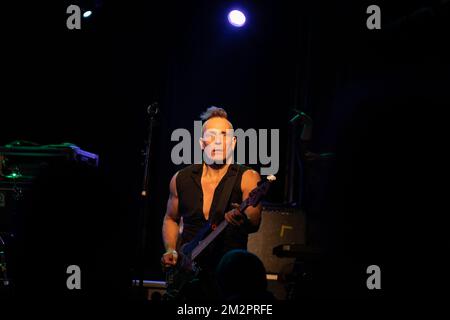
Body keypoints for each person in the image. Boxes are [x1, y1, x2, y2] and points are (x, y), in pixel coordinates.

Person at [161, 106, 262, 300]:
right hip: (187, 276)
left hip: (229, 279)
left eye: (224, 135)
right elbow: (170, 219)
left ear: (233, 142)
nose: (217, 141)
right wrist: (171, 249)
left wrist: (244, 217)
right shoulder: (180, 178)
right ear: (201, 143)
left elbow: (255, 221)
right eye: (212, 135)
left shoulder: (248, 177)